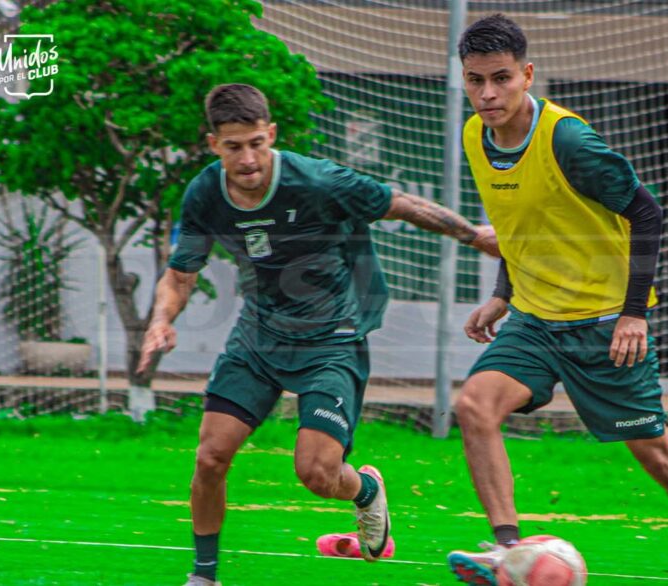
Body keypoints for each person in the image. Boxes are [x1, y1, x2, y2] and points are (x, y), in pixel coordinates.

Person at [135, 83, 498, 586]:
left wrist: (475, 236)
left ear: (272, 135)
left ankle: (366, 492)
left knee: (317, 473)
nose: (247, 158)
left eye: (257, 143)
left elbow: (400, 203)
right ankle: (204, 576)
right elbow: (180, 274)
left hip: (331, 338)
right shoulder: (204, 195)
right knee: (211, 455)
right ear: (213, 143)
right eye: (234, 146)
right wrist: (161, 320)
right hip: (259, 335)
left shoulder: (317, 180)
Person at [446, 15, 668, 586]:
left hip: (605, 327)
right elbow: (521, 225)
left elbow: (647, 212)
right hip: (535, 322)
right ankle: (506, 551)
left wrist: (633, 313)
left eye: (501, 78)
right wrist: (502, 294)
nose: (487, 93)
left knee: (664, 463)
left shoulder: (568, 139)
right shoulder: (473, 136)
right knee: (473, 407)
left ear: (527, 74)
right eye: (475, 80)